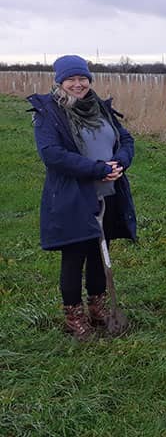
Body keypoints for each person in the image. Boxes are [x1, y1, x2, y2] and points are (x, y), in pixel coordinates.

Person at [28, 55, 137, 340]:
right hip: (74, 196)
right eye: (71, 79)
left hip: (108, 193)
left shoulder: (99, 107)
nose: (78, 84)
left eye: (83, 78)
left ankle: (98, 307)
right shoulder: (48, 113)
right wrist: (96, 169)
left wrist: (121, 162)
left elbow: (125, 139)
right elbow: (52, 155)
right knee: (75, 255)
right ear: (60, 82)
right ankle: (73, 316)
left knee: (100, 253)